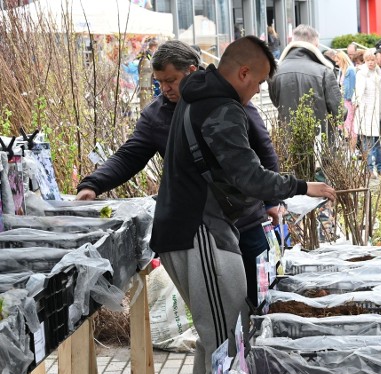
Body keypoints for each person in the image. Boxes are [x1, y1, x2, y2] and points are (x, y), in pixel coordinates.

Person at [151, 36, 335, 374]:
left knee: (215, 334)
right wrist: (302, 186)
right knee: (226, 337)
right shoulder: (220, 106)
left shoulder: (198, 99)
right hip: (198, 233)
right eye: (260, 82)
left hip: (198, 231)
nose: (259, 90)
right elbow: (247, 175)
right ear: (244, 72)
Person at [76, 40, 280, 309]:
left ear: (192, 71)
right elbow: (129, 156)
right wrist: (93, 184)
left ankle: (255, 349)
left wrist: (272, 201)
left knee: (258, 301)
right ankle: (229, 351)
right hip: (202, 233)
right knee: (221, 311)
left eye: (171, 80)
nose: (165, 89)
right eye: (160, 82)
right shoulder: (155, 116)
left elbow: (264, 150)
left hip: (246, 222)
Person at [268, 24, 341, 125]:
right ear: (315, 45)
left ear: (292, 43)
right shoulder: (324, 72)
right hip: (319, 136)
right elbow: (339, 113)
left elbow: (276, 102)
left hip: (286, 136)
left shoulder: (275, 71)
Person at [353, 52, 381, 176]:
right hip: (367, 112)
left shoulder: (379, 74)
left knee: (378, 143)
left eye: (373, 60)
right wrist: (357, 105)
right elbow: (358, 93)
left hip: (378, 113)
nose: (371, 62)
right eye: (368, 60)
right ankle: (369, 170)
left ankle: (380, 168)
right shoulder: (362, 74)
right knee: (368, 143)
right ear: (365, 61)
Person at [137, 38, 159, 108]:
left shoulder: (144, 57)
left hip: (146, 86)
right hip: (149, 86)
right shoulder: (149, 57)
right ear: (154, 47)